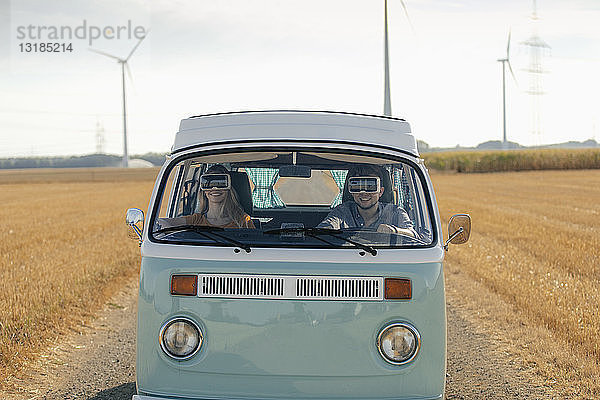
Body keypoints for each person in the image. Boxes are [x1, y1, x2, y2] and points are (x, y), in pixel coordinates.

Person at [317, 164, 417, 238]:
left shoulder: (395, 212)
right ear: (351, 191)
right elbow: (324, 229)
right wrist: (329, 230)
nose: (363, 193)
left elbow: (413, 234)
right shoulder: (343, 211)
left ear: (381, 191)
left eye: (370, 186)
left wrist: (394, 230)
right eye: (357, 187)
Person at [160, 165, 255, 229]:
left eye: (221, 183)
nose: (215, 188)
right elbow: (162, 222)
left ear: (229, 188)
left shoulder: (243, 221)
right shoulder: (196, 220)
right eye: (208, 183)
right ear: (203, 190)